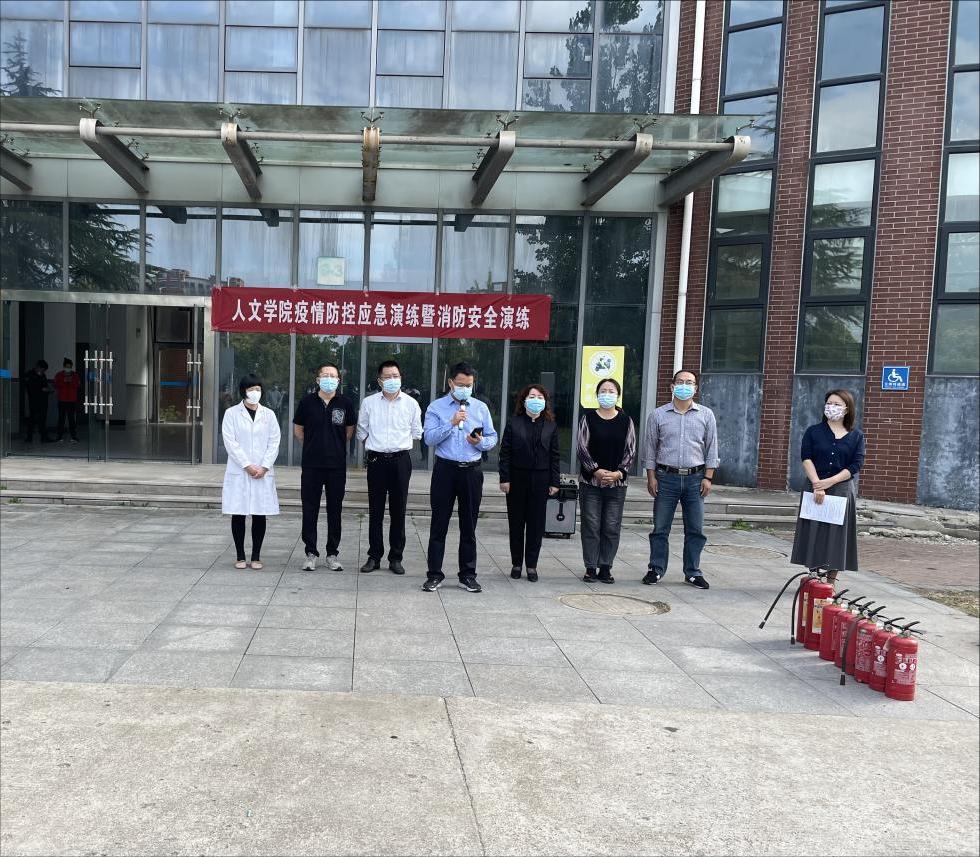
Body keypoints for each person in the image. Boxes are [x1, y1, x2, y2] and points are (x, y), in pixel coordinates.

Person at [422, 361, 498, 593]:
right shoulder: (436, 407)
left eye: (469, 385)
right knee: (439, 524)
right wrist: (451, 423)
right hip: (445, 470)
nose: (465, 389)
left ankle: (467, 575)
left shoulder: (480, 408)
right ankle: (434, 574)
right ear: (450, 383)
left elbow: (492, 437)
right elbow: (429, 439)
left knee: (469, 526)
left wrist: (480, 442)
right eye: (461, 384)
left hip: (471, 471)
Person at [643, 369, 719, 590]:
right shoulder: (658, 415)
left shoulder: (706, 415)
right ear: (672, 386)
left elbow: (711, 448)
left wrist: (708, 477)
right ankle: (656, 569)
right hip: (666, 478)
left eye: (689, 382)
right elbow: (650, 449)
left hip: (696, 478)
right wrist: (651, 477)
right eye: (680, 382)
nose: (684, 386)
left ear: (695, 388)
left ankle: (693, 572)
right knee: (660, 528)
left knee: (696, 529)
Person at [791, 389, 865, 585]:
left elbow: (856, 465)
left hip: (841, 489)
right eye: (829, 403)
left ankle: (830, 582)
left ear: (847, 409)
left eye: (837, 404)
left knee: (836, 535)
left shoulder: (856, 436)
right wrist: (817, 484)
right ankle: (814, 575)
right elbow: (806, 457)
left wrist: (830, 482)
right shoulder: (813, 431)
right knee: (814, 530)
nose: (832, 407)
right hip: (815, 485)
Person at [356, 359, 423, 575]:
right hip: (376, 461)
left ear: (401, 378)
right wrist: (375, 446)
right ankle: (374, 556)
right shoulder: (369, 403)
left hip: (400, 461)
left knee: (398, 510)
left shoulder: (411, 404)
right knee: (375, 511)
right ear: (379, 380)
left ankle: (396, 557)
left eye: (395, 376)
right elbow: (361, 430)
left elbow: (417, 432)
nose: (392, 380)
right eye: (387, 377)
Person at [293, 362, 356, 571]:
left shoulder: (345, 403)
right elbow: (298, 430)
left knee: (335, 510)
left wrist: (333, 447)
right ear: (318, 379)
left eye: (333, 375)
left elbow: (349, 432)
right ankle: (310, 552)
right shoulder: (307, 402)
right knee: (309, 508)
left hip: (336, 466)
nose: (329, 379)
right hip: (311, 465)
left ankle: (332, 553)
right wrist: (314, 446)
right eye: (325, 375)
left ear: (338, 380)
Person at [576, 378, 637, 584]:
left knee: (611, 526)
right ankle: (590, 566)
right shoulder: (588, 418)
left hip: (617, 484)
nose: (607, 394)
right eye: (603, 391)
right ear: (597, 394)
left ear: (617, 395)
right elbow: (582, 448)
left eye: (611, 391)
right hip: (591, 483)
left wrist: (619, 473)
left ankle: (605, 566)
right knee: (591, 525)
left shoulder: (626, 421)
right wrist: (595, 470)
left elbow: (631, 450)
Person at [498, 384, 560, 582]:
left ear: (545, 401)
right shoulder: (514, 423)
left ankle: (532, 565)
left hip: (541, 479)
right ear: (524, 400)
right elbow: (505, 452)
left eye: (540, 397)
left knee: (536, 524)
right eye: (532, 396)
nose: (536, 400)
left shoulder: (551, 425)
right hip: (517, 478)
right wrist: (504, 478)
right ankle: (516, 563)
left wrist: (555, 482)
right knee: (516, 523)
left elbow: (555, 456)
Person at [221, 374, 281, 569]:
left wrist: (264, 466)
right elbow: (230, 442)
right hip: (240, 470)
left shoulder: (269, 415)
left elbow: (274, 441)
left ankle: (256, 556)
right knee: (238, 513)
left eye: (258, 389)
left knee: (259, 513)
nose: (255, 392)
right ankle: (240, 556)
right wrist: (246, 465)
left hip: (262, 471)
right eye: (251, 389)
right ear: (243, 391)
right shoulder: (231, 413)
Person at [22, 360, 53, 443]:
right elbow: (30, 387)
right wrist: (41, 389)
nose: (43, 371)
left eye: (44, 370)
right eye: (42, 369)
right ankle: (29, 437)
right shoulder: (30, 374)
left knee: (42, 419)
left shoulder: (43, 375)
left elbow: (45, 385)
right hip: (34, 400)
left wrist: (48, 389)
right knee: (32, 419)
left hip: (43, 400)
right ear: (38, 367)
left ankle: (44, 437)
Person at [53, 358, 81, 443]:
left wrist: (71, 381)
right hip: (62, 400)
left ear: (71, 367)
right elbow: (56, 385)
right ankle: (59, 436)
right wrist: (64, 381)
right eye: (67, 367)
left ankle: (73, 436)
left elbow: (77, 385)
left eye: (69, 367)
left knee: (71, 419)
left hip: (72, 400)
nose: (68, 368)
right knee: (61, 418)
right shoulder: (59, 375)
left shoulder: (75, 375)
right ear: (64, 366)